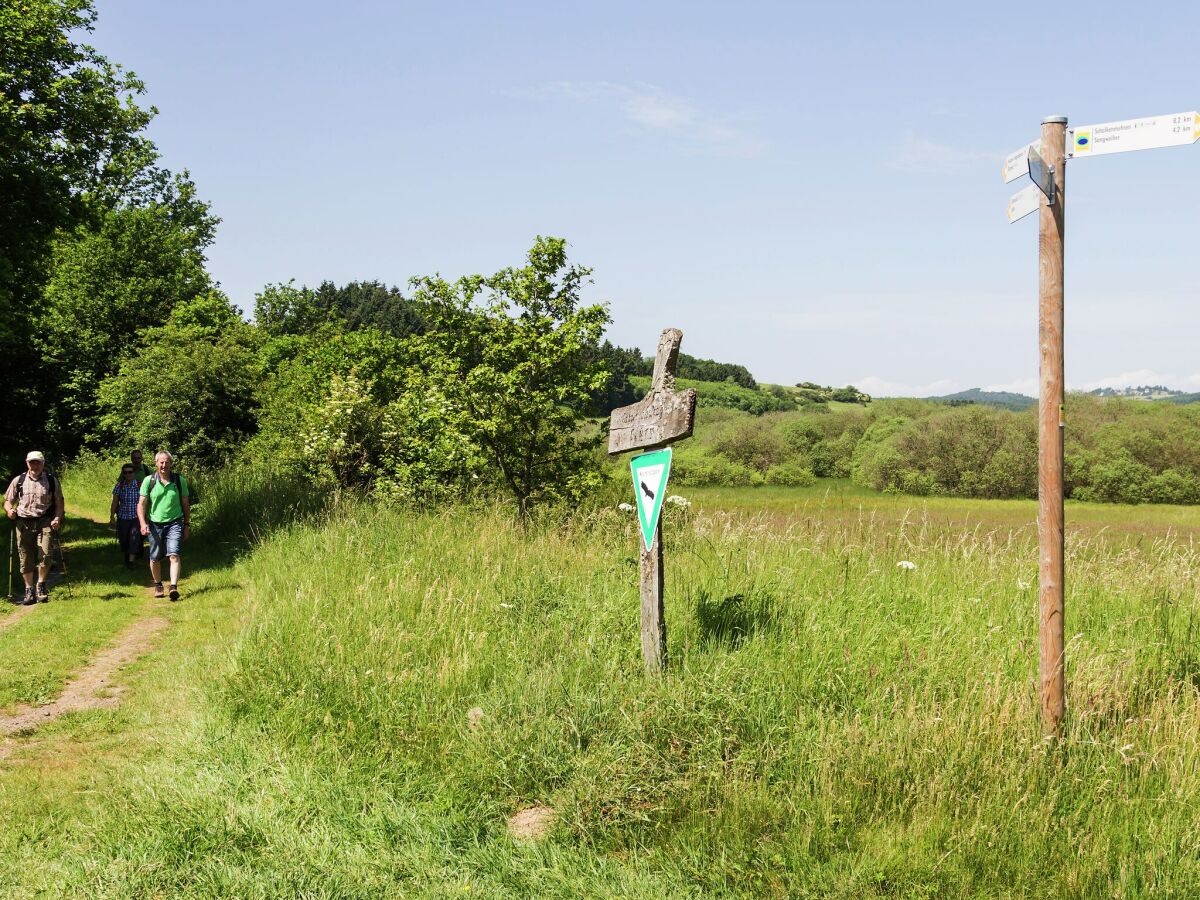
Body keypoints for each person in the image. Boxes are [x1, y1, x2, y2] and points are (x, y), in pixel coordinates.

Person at [3, 451, 65, 606]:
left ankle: (41, 586)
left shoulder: (51, 481)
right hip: (23, 522)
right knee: (25, 556)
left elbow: (59, 503)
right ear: (27, 463)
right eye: (32, 462)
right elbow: (7, 501)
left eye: (37, 462)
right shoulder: (19, 480)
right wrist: (9, 511)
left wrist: (57, 518)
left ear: (43, 464)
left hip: (45, 521)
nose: (34, 465)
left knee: (46, 554)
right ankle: (29, 589)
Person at [138, 450, 190, 602]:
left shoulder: (179, 481)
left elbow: (186, 504)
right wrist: (142, 523)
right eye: (161, 462)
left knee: (174, 554)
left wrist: (186, 524)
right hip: (154, 524)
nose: (164, 465)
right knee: (154, 558)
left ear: (171, 464)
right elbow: (141, 504)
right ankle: (158, 584)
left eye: (167, 462)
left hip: (175, 522)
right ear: (156, 463)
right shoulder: (149, 481)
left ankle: (173, 587)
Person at [109, 463, 144, 568]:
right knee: (124, 540)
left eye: (130, 472)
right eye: (125, 472)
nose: (128, 474)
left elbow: (145, 502)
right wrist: (111, 516)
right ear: (123, 474)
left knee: (134, 538)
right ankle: (127, 555)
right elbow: (115, 502)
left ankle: (131, 562)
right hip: (122, 518)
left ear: (134, 473)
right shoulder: (119, 486)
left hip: (136, 518)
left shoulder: (140, 485)